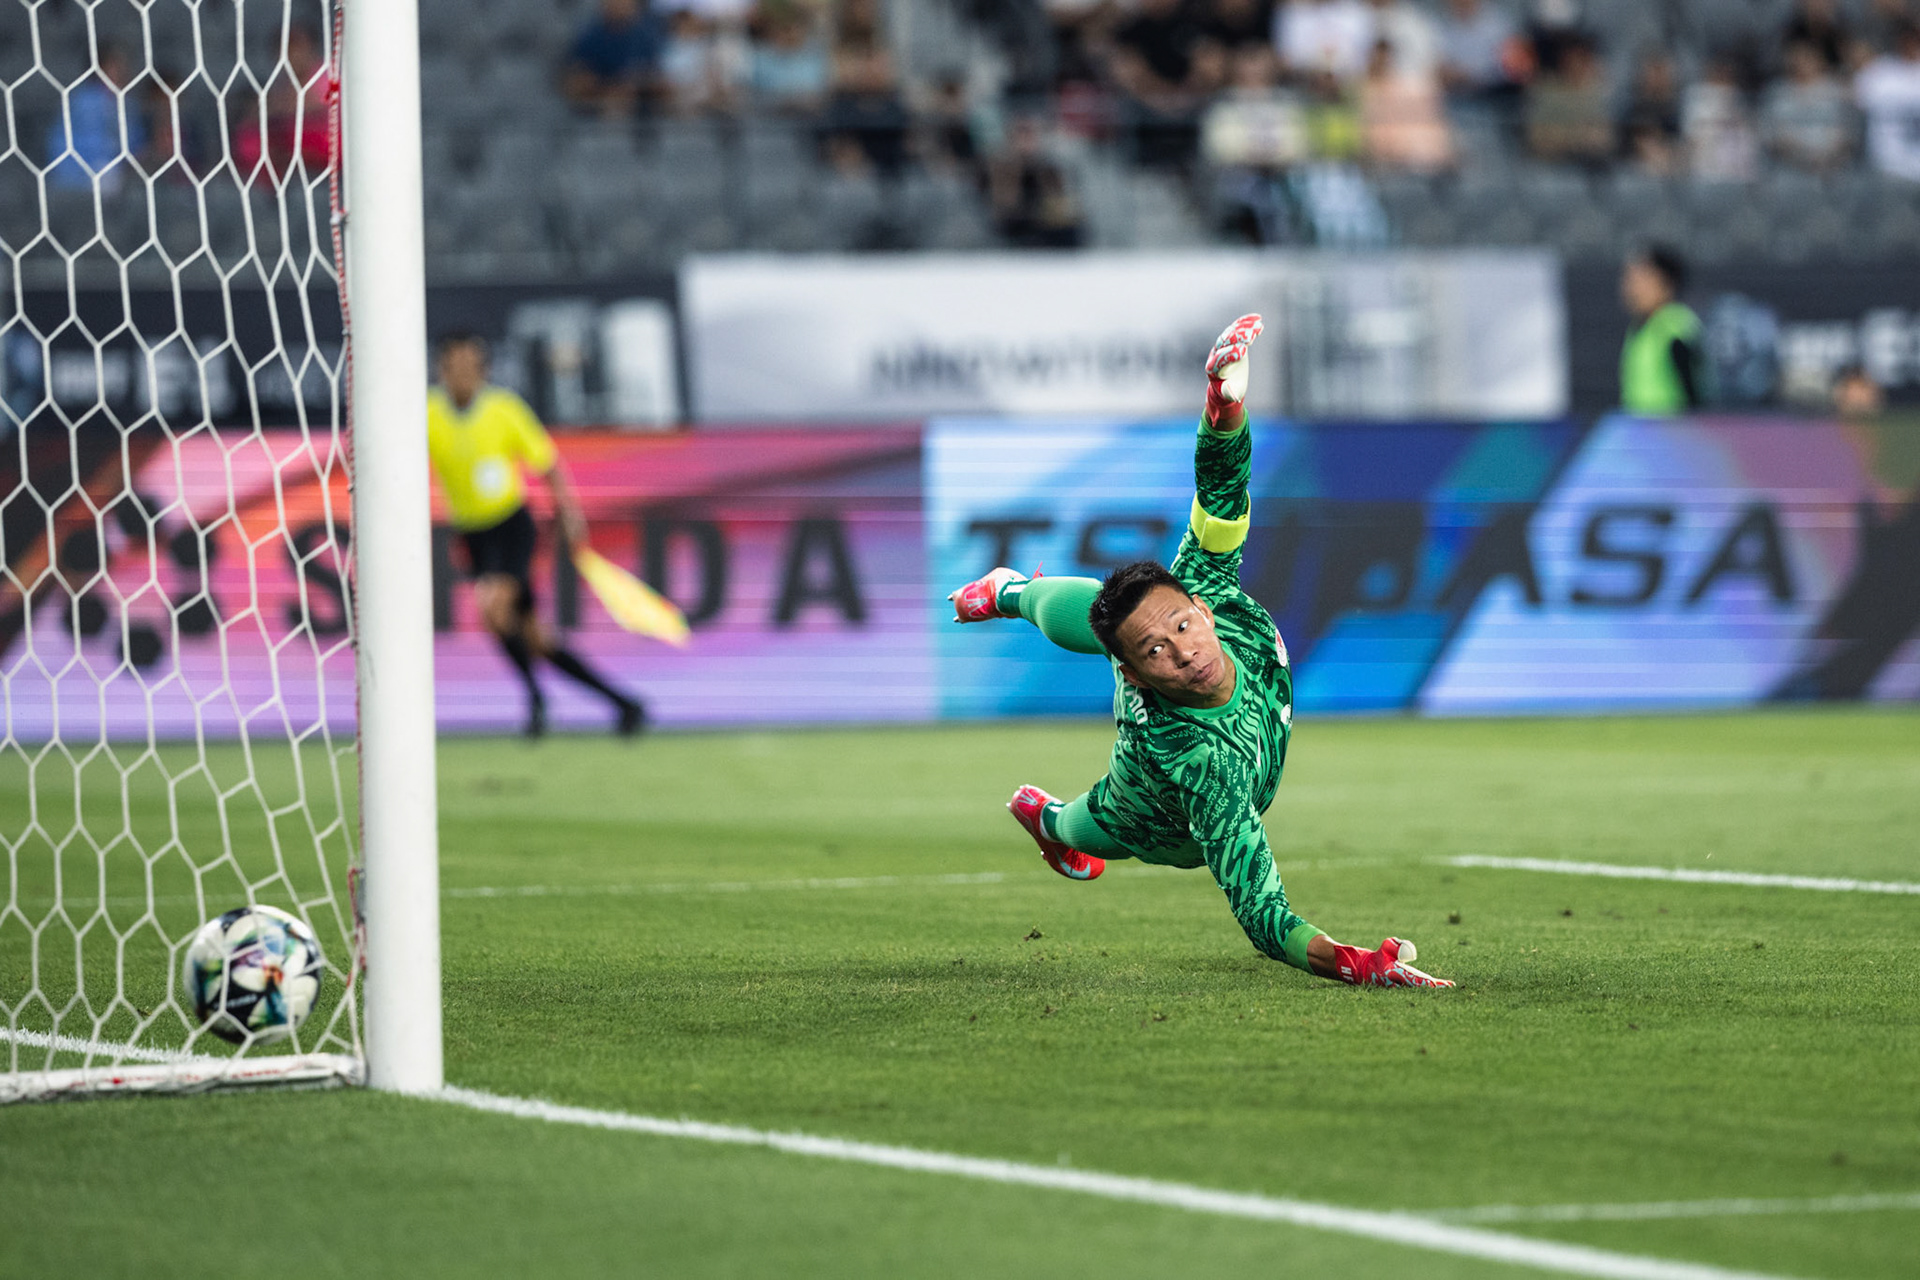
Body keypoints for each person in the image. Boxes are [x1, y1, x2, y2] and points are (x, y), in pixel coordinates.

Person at [944, 315, 1452, 990]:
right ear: (1134, 675)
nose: (1183, 651)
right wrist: (1354, 963)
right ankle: (1045, 817)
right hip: (1156, 817)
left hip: (1164, 678)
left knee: (1109, 604)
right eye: (1158, 650)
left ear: (1204, 610)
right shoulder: (1202, 766)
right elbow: (1263, 914)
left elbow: (1220, 483)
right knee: (1091, 822)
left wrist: (1224, 403)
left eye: (1184, 627)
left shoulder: (1209, 585)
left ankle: (1009, 590)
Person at [426, 334, 647, 738]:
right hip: (473, 533)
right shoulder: (428, 414)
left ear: (483, 370)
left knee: (493, 608)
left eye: (469, 366)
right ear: (441, 371)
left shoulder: (503, 409)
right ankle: (624, 703)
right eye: (452, 366)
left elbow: (547, 464)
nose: (461, 374)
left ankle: (535, 699)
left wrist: (569, 512)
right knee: (536, 638)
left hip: (511, 526)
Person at [1618, 245, 1703, 416]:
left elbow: (1695, 393)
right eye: (1629, 279)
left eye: (1641, 278)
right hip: (1641, 433)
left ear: (1666, 284)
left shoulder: (1676, 327)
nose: (1631, 287)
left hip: (1671, 434)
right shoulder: (1640, 328)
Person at [562, 0, 667, 117]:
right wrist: (609, 88)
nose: (621, 5)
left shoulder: (646, 36)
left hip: (641, 100)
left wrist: (635, 83)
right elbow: (576, 80)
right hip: (600, 100)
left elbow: (658, 75)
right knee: (614, 106)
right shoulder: (590, 36)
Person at [1854, 20, 1920, 182]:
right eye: (1907, 39)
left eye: (1915, 39)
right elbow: (1854, 111)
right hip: (1887, 166)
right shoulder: (1877, 72)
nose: (1910, 44)